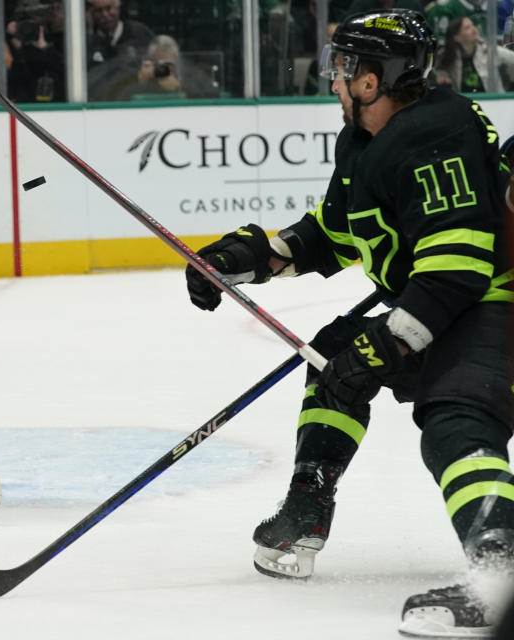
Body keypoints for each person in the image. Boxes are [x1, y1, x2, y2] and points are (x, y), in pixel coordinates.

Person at [184, 9, 513, 638]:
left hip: (493, 303)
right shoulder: (366, 138)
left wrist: (391, 340)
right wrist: (249, 258)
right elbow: (334, 234)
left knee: (456, 420)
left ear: (372, 80)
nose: (333, 81)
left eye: (343, 69)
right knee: (332, 361)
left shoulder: (436, 133)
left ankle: (502, 569)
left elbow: (459, 264)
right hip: (455, 303)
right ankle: (307, 510)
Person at [85, 0, 153, 101]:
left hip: (135, 104)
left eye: (108, 8)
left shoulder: (140, 33)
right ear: (91, 13)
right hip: (99, 108)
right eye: (99, 11)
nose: (104, 14)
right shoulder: (85, 42)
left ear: (118, 8)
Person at [116, 34, 220, 100]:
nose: (165, 69)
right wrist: (140, 82)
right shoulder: (144, 78)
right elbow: (119, 99)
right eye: (160, 64)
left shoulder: (192, 77)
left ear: (176, 60)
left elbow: (214, 98)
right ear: (151, 62)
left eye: (169, 64)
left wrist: (179, 89)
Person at [433, 15, 514, 92]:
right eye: (467, 28)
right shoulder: (446, 55)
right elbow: (437, 72)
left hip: (491, 101)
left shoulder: (489, 51)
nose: (474, 29)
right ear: (456, 37)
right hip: (463, 102)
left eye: (473, 25)